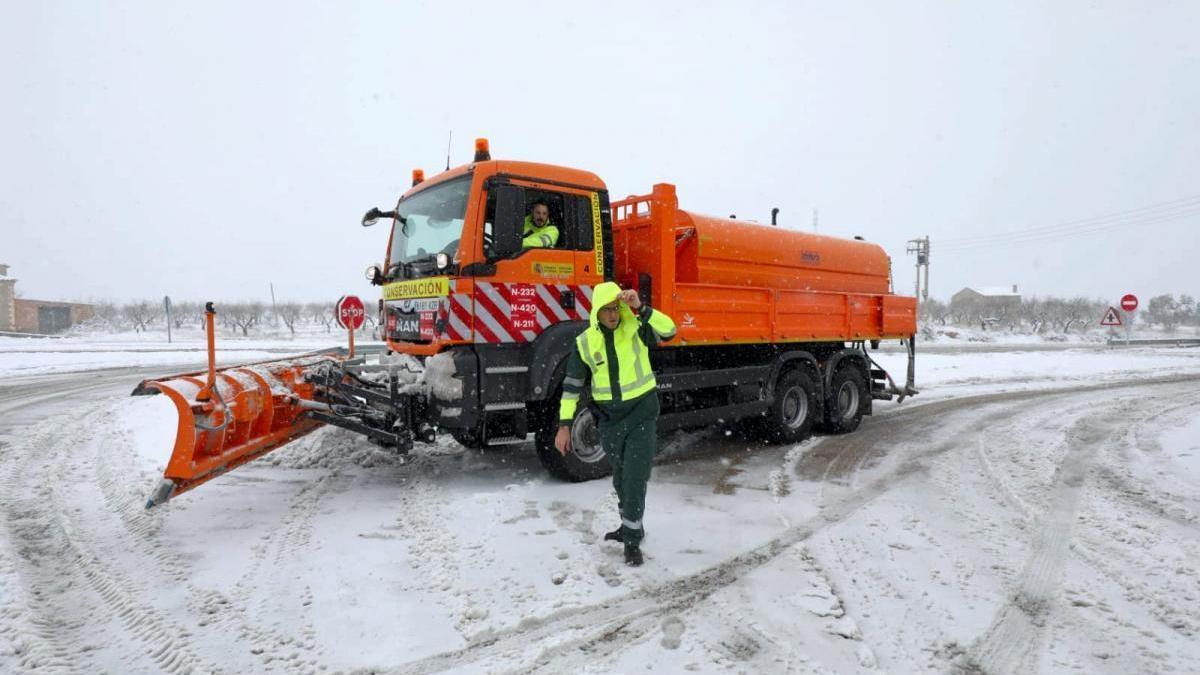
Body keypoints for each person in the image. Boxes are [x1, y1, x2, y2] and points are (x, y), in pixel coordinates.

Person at [554, 281, 676, 566]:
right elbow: (572, 387)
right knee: (621, 477)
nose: (612, 315)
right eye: (606, 310)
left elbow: (669, 330)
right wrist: (564, 425)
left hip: (641, 413)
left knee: (635, 476)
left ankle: (632, 542)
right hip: (609, 421)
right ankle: (630, 524)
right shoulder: (585, 342)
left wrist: (640, 307)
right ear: (596, 311)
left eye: (616, 309)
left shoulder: (635, 327)